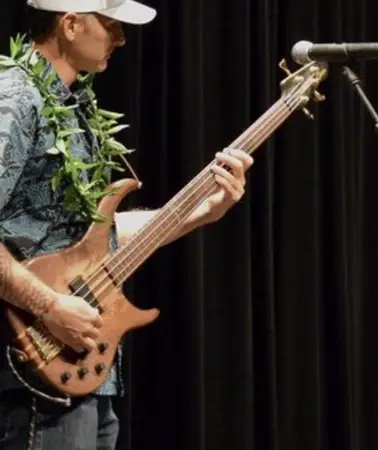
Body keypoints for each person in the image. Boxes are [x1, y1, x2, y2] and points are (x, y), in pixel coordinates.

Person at [0, 1, 254, 449]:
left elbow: (96, 241)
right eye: (112, 26)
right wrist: (50, 307)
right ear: (72, 24)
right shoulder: (16, 99)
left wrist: (198, 214)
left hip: (84, 374)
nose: (121, 39)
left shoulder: (75, 106)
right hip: (29, 369)